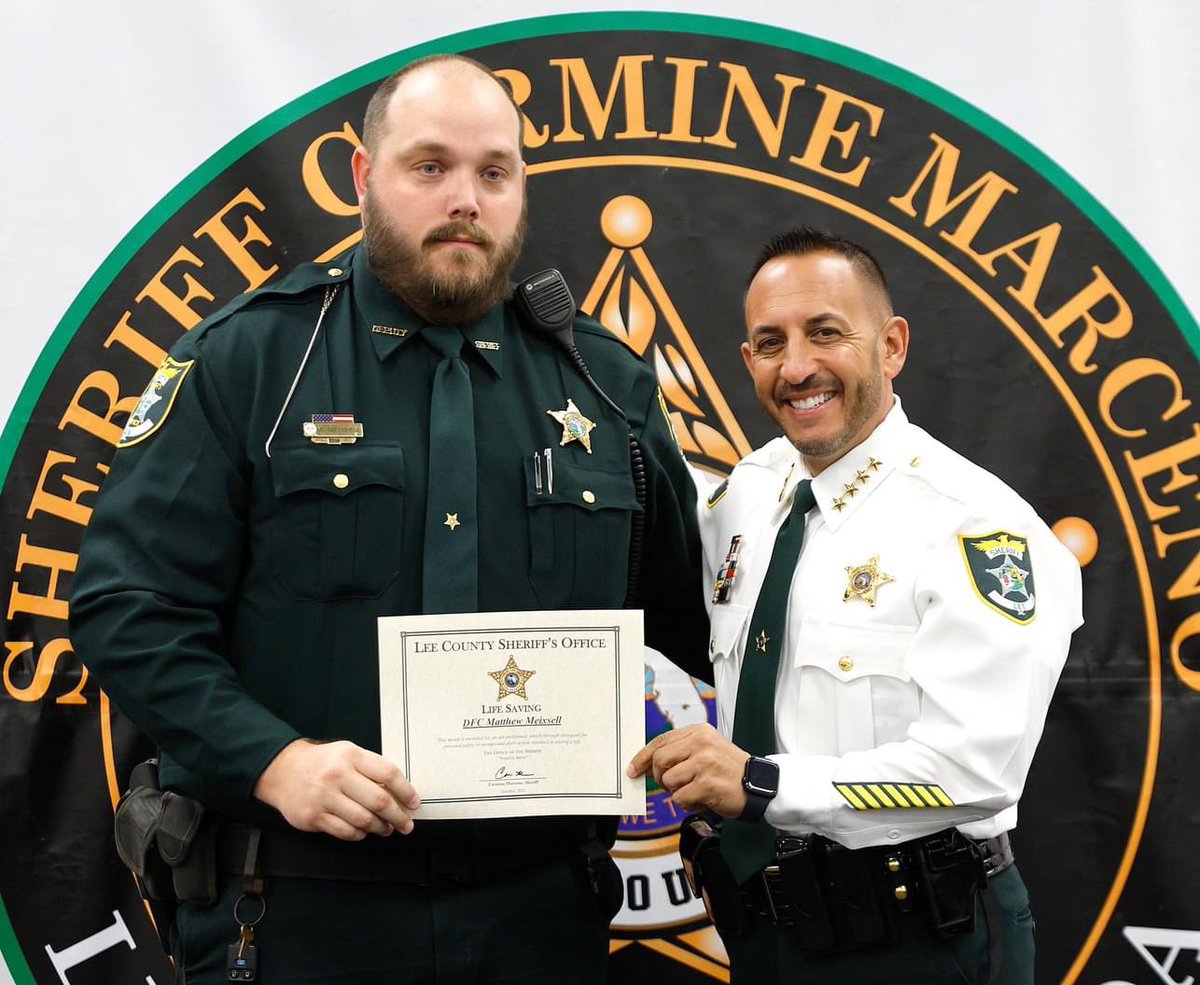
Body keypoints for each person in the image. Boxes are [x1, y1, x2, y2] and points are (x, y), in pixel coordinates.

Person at [70, 54, 708, 985]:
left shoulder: (606, 385)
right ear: (367, 178)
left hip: (538, 917)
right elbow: (128, 608)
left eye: (495, 172)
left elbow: (690, 626)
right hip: (296, 911)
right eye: (430, 167)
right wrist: (275, 761)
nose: (466, 199)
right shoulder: (253, 361)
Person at [629, 227, 1083, 984]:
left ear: (892, 344)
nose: (798, 365)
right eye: (770, 342)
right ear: (748, 362)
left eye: (826, 333)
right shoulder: (748, 493)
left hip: (924, 941)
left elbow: (973, 772)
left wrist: (764, 783)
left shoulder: (976, 526)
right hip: (770, 936)